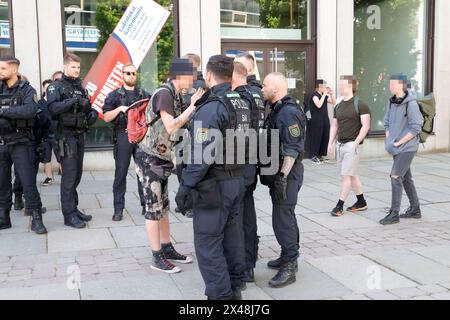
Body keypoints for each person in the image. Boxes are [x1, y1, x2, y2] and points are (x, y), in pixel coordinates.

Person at [176, 55, 251, 300]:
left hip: (214, 186)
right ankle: (235, 286)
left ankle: (221, 296)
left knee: (208, 244)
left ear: (208, 75)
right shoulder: (241, 102)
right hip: (236, 180)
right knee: (232, 237)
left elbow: (201, 154)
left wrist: (186, 186)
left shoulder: (212, 107)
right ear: (231, 75)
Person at [135, 58, 204, 274]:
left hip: (161, 157)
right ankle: (156, 257)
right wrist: (193, 105)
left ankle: (167, 248)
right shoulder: (164, 94)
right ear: (179, 76)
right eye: (190, 75)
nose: (193, 79)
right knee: (153, 208)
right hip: (149, 158)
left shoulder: (175, 94)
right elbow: (172, 126)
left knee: (163, 206)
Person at [260, 72, 306, 288]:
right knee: (285, 215)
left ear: (276, 88)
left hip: (287, 175)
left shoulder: (287, 113)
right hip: (280, 174)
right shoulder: (278, 109)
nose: (262, 88)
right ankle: (287, 255)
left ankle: (289, 265)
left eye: (265, 85)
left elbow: (293, 148)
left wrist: (282, 177)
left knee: (283, 219)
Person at [47, 53, 98, 229]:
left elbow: (89, 109)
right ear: (65, 67)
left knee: (77, 175)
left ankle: (74, 209)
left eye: (78, 67)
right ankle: (68, 215)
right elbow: (53, 108)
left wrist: (92, 115)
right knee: (69, 177)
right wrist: (72, 101)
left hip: (78, 135)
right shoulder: (56, 87)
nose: (76, 70)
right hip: (65, 136)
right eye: (73, 67)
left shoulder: (81, 88)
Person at [0, 56, 47, 234]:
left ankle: (36, 218)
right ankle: (4, 218)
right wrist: (12, 113)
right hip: (2, 143)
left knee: (28, 183)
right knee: (2, 183)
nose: (0, 71)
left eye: (3, 68)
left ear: (14, 70)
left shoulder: (27, 90)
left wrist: (3, 111)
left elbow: (30, 110)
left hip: (21, 143)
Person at [231, 61, 266, 283]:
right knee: (248, 212)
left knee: (238, 217)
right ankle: (249, 263)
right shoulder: (257, 94)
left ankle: (241, 267)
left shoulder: (238, 98)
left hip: (239, 163)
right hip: (252, 161)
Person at [103, 63, 148, 221]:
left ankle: (146, 205)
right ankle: (118, 209)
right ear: (122, 75)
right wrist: (120, 109)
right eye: (127, 73)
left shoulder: (143, 94)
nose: (131, 76)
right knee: (120, 174)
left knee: (143, 173)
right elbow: (106, 117)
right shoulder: (114, 95)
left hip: (141, 136)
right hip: (123, 135)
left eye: (133, 73)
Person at [380, 75, 424, 225]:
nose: (391, 86)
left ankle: (394, 213)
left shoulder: (410, 103)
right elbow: (386, 122)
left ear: (402, 86)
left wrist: (399, 142)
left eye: (394, 84)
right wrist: (390, 140)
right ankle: (415, 209)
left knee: (396, 176)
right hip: (396, 146)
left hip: (408, 147)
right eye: (390, 84)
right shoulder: (391, 101)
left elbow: (416, 127)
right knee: (406, 178)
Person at [328, 76, 371, 217]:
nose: (340, 87)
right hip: (340, 145)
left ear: (351, 86)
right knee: (352, 175)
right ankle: (361, 201)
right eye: (340, 84)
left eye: (343, 85)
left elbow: (366, 126)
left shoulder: (361, 104)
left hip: (352, 146)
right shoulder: (339, 105)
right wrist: (330, 143)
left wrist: (356, 143)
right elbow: (334, 125)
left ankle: (339, 206)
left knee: (346, 176)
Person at [174, 53, 207, 217]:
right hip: (180, 132)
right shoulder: (180, 83)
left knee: (192, 168)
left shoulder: (202, 84)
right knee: (180, 167)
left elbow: (199, 107)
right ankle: (184, 200)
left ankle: (193, 204)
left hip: (194, 132)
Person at [306, 80, 335, 164]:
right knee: (316, 137)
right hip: (316, 120)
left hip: (324, 119)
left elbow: (333, 102)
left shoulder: (324, 96)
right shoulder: (314, 95)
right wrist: (325, 94)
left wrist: (331, 94)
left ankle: (320, 155)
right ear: (318, 87)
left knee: (324, 136)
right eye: (323, 86)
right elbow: (318, 105)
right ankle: (314, 156)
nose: (325, 87)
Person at [40, 79, 58, 186]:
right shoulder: (39, 103)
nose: (48, 89)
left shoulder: (56, 102)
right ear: (43, 88)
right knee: (46, 158)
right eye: (46, 87)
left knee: (61, 157)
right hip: (45, 135)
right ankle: (49, 178)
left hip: (57, 133)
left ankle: (66, 177)